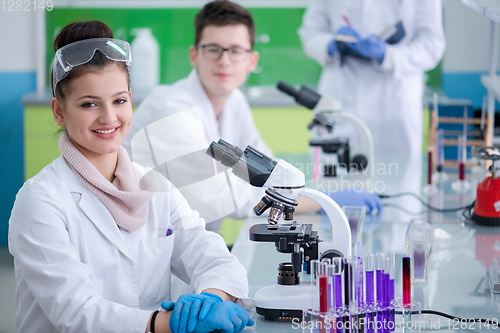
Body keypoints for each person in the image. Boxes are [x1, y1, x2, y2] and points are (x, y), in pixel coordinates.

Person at [8, 20, 254, 333]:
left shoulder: (155, 185)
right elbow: (77, 312)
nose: (109, 117)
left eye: (119, 100)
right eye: (89, 104)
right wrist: (173, 323)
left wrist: (210, 299)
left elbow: (211, 255)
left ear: (131, 100)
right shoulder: (40, 200)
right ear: (59, 110)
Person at [123, 0, 382, 231]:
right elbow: (230, 199)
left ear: (251, 60)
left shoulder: (234, 102)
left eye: (236, 51)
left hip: (186, 245)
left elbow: (270, 173)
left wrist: (321, 192)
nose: (224, 61)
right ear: (194, 55)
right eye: (213, 49)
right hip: (145, 246)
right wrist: (323, 201)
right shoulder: (170, 109)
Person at [298, 0, 446, 157]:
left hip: (394, 102)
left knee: (395, 173)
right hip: (340, 96)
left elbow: (432, 45)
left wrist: (388, 55)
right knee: (330, 175)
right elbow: (310, 33)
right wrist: (330, 44)